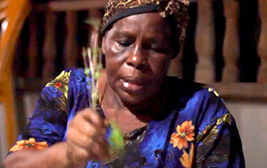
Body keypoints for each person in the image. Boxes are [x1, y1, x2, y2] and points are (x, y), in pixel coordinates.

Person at [4, 0, 245, 167]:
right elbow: (15, 163)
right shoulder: (69, 91)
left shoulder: (202, 111)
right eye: (124, 42)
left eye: (156, 47)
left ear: (172, 53)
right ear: (102, 43)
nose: (137, 59)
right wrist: (65, 156)